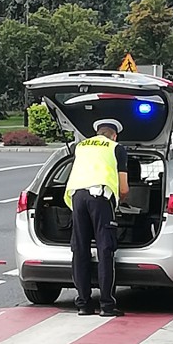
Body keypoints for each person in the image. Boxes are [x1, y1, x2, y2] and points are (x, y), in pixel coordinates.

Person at [64, 119, 129, 317]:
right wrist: (120, 201)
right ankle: (107, 305)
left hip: (77, 198)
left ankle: (83, 304)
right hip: (100, 198)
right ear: (114, 135)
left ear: (97, 133)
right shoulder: (117, 148)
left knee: (80, 249)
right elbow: (124, 187)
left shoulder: (80, 146)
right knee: (105, 250)